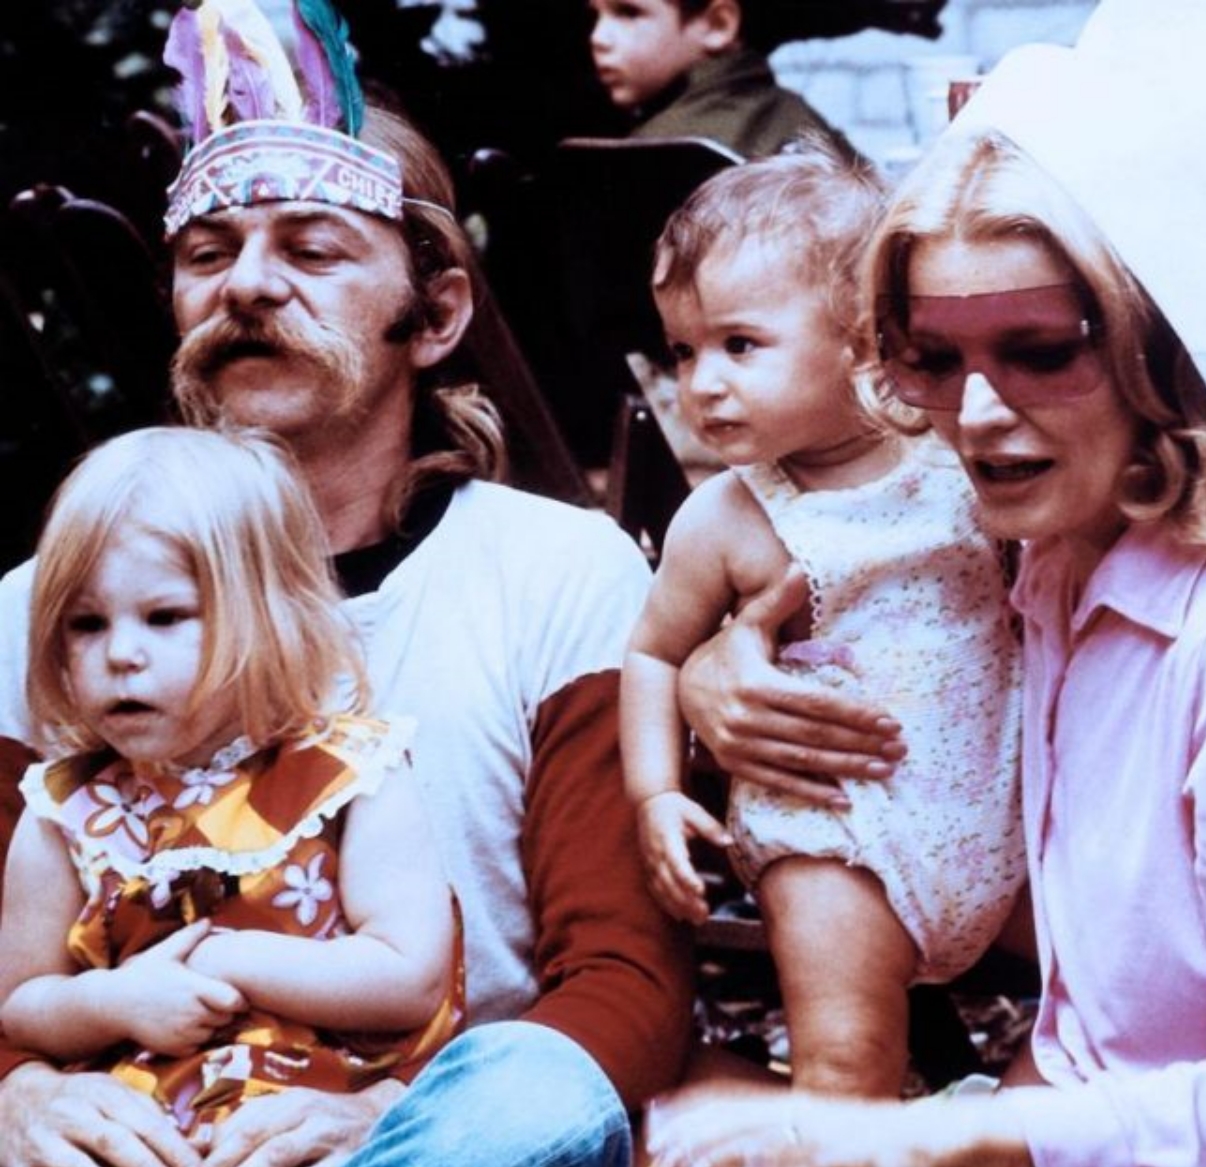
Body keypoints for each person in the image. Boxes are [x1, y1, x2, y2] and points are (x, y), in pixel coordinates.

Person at [645, 13, 1206, 1159]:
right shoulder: (1049, 552)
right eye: (932, 358)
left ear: (1161, 349)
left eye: (1039, 351)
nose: (975, 415)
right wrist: (710, 675)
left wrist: (934, 1142)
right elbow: (1085, 1036)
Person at [0, 4, 693, 1163]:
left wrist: (389, 1123)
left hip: (460, 1122)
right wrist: (18, 1092)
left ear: (436, 315)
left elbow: (627, 977)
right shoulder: (54, 608)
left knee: (531, 1093)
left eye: (313, 251)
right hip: (138, 1131)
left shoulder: (553, 572)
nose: (248, 286)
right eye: (206, 254)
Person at [621, 148, 1026, 1098]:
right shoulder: (728, 518)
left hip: (997, 810)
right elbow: (653, 652)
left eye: (739, 345)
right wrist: (655, 791)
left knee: (1120, 997)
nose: (701, 383)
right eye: (683, 351)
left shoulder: (959, 461)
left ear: (861, 338)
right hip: (832, 842)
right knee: (844, 1064)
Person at [0, 426, 460, 1142]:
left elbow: (411, 979)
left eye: (165, 617)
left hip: (325, 1125)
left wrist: (226, 957)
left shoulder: (348, 776)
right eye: (86, 624)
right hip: (138, 1136)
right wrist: (116, 1000)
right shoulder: (67, 812)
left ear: (267, 618)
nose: (122, 653)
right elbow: (22, 1002)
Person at [587, 0, 858, 161]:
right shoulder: (791, 111)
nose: (598, 37)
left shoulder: (670, 147)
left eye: (629, 12)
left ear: (719, 24)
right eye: (596, 15)